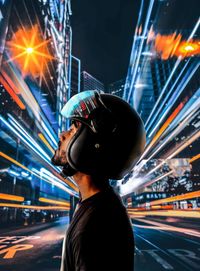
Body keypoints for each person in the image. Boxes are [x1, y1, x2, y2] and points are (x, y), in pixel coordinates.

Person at [51, 90, 146, 271]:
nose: (62, 135)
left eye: (73, 130)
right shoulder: (97, 206)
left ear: (92, 144)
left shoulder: (96, 226)